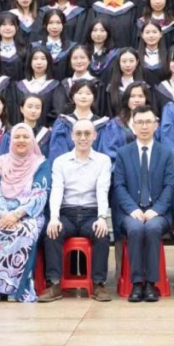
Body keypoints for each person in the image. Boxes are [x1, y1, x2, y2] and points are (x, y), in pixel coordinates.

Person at [37, 119, 113, 303]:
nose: (83, 138)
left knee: (102, 234)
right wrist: (54, 217)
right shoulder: (60, 161)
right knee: (52, 232)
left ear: (94, 136)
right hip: (67, 213)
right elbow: (57, 190)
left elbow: (102, 190)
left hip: (91, 213)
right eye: (78, 133)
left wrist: (102, 217)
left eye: (87, 133)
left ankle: (98, 284)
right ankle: (54, 284)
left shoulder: (103, 160)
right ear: (72, 136)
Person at [112, 106, 174, 302]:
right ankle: (136, 284)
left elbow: (169, 186)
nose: (144, 126)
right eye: (139, 122)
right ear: (132, 126)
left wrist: (156, 210)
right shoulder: (123, 153)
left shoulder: (166, 153)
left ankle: (150, 284)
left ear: (156, 125)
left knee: (151, 228)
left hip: (158, 212)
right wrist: (132, 209)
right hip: (130, 212)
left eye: (148, 122)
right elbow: (119, 185)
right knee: (134, 229)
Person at [0, 123, 52, 302]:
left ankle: (17, 289)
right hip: (1, 213)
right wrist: (4, 214)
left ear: (32, 141)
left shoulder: (41, 163)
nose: (21, 140)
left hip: (29, 214)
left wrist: (17, 214)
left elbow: (40, 194)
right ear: (11, 141)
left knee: (25, 232)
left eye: (26, 137)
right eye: (17, 137)